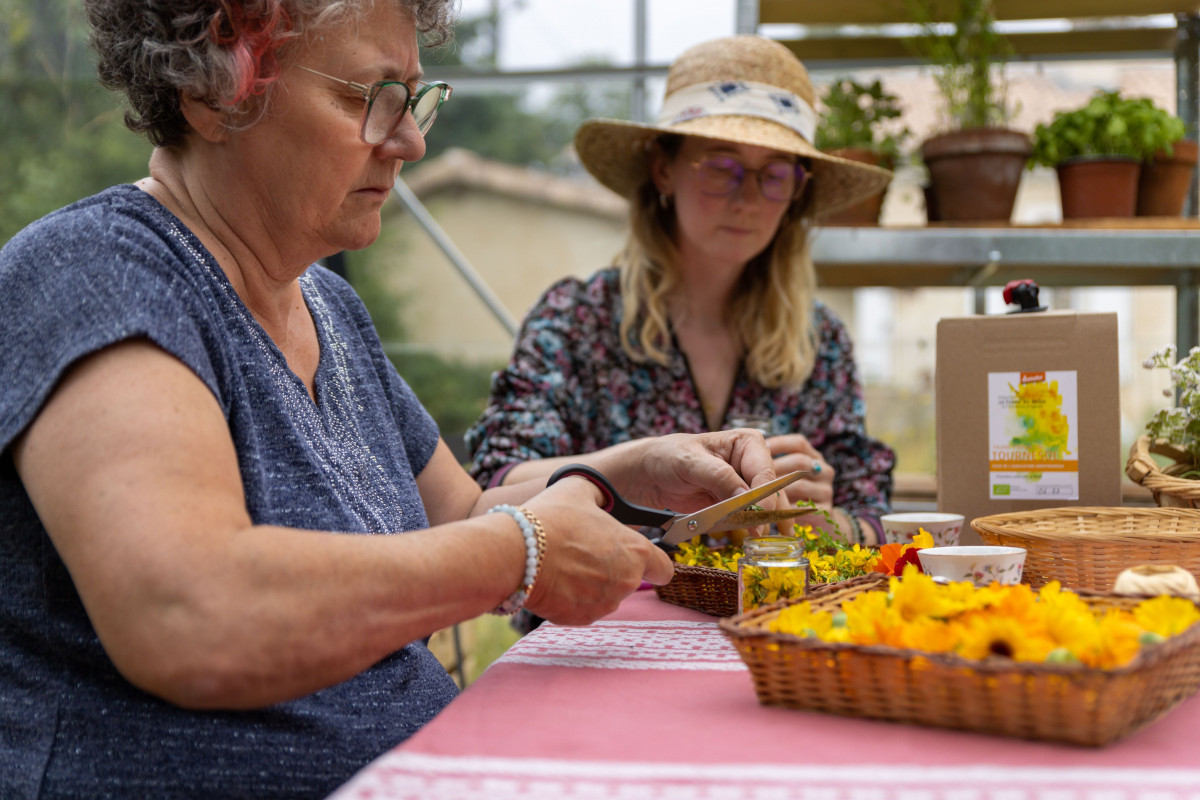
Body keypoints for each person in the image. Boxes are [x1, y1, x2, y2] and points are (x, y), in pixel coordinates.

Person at [0, 4, 785, 798]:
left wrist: (633, 473)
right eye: (368, 96)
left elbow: (463, 513)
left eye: (414, 98)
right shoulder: (95, 272)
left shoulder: (328, 311)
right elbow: (189, 612)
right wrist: (525, 552)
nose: (410, 139)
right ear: (213, 91)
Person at [467, 35, 897, 546]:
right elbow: (496, 486)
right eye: (721, 166)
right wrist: (636, 469)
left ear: (797, 191)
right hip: (598, 621)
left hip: (768, 621)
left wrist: (828, 521)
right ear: (664, 168)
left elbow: (872, 512)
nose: (748, 199)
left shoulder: (818, 339)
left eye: (774, 174)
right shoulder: (577, 320)